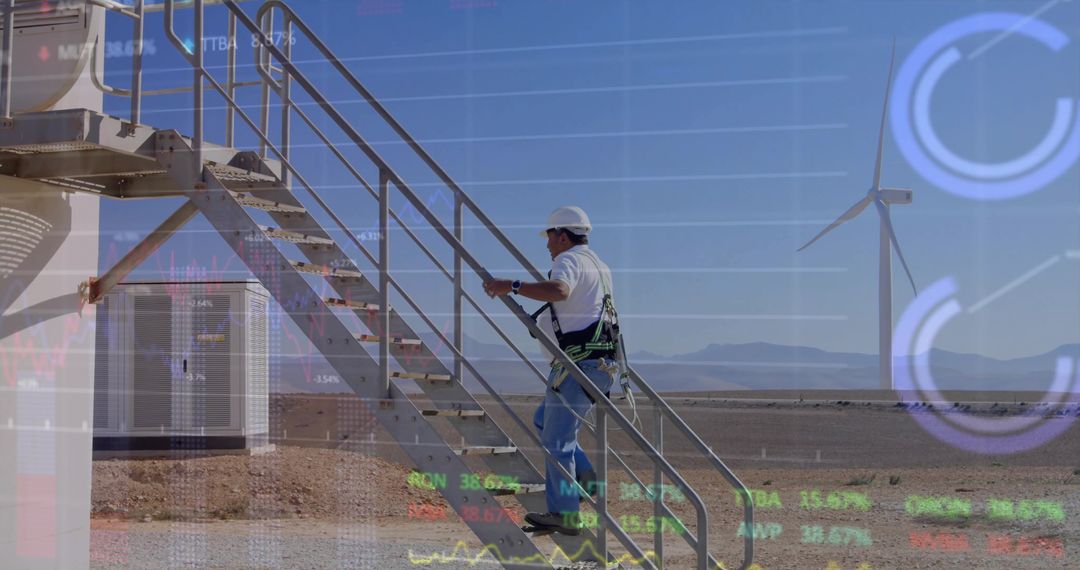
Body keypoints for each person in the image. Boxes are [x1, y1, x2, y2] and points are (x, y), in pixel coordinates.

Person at [483, 205, 619, 535]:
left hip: (578, 365)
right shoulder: (598, 264)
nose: (547, 246)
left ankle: (565, 514)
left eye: (550, 239)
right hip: (600, 365)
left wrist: (511, 286)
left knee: (557, 439)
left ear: (562, 236)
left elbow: (560, 290)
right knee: (545, 420)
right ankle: (585, 478)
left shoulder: (568, 260)